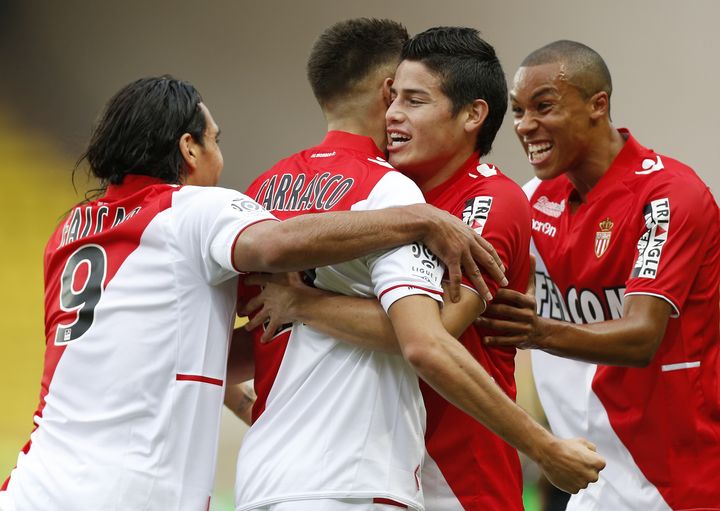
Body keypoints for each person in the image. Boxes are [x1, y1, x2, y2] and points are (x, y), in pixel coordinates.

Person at [0, 75, 507, 511]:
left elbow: (161, 350)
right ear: (189, 149)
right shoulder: (194, 209)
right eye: (216, 141)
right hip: (127, 489)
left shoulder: (67, 233)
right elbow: (278, 245)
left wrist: (256, 395)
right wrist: (418, 217)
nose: (221, 156)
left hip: (32, 482)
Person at [234, 22, 604, 511]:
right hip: (378, 466)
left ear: (473, 115)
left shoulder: (492, 199)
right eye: (392, 100)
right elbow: (257, 330)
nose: (392, 116)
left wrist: (304, 304)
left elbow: (434, 333)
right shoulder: (381, 194)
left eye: (414, 101)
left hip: (460, 481)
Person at [479, 40, 720, 510]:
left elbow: (641, 336)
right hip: (592, 478)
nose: (526, 126)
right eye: (519, 111)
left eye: (543, 106)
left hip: (676, 481)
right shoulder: (532, 198)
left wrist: (537, 331)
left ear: (598, 105)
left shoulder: (669, 196)